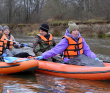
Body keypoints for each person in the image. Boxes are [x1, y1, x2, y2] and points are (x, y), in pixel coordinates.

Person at [35, 21, 99, 64]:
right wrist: (43, 56)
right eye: (74, 30)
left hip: (80, 58)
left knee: (91, 61)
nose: (76, 32)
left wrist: (94, 57)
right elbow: (55, 50)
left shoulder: (81, 39)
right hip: (70, 60)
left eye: (77, 30)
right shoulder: (66, 40)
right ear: (70, 32)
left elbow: (87, 51)